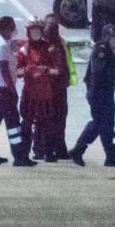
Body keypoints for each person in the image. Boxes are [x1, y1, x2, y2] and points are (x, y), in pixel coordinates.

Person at [0, 15, 33, 167]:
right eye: (12, 28)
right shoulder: (1, 45)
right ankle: (20, 157)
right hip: (3, 90)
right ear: (7, 28)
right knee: (13, 125)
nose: (14, 31)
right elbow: (4, 69)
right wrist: (12, 89)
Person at [69, 23, 115, 167]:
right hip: (99, 93)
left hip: (104, 92)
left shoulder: (107, 50)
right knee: (99, 123)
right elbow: (98, 72)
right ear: (107, 36)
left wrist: (113, 84)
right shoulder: (101, 50)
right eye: (113, 37)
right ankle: (79, 149)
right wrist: (110, 83)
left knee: (106, 124)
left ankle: (110, 156)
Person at [18, 20, 65, 161]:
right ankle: (24, 154)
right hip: (29, 94)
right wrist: (28, 70)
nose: (35, 35)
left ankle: (48, 153)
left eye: (38, 32)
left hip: (46, 93)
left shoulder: (50, 49)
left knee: (47, 123)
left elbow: (60, 70)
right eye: (33, 32)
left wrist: (45, 70)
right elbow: (16, 70)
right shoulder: (24, 49)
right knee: (26, 123)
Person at [43, 14, 75, 160]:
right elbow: (62, 67)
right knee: (56, 120)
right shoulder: (56, 45)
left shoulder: (55, 45)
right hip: (56, 88)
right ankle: (53, 150)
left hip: (53, 88)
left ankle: (52, 149)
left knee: (52, 119)